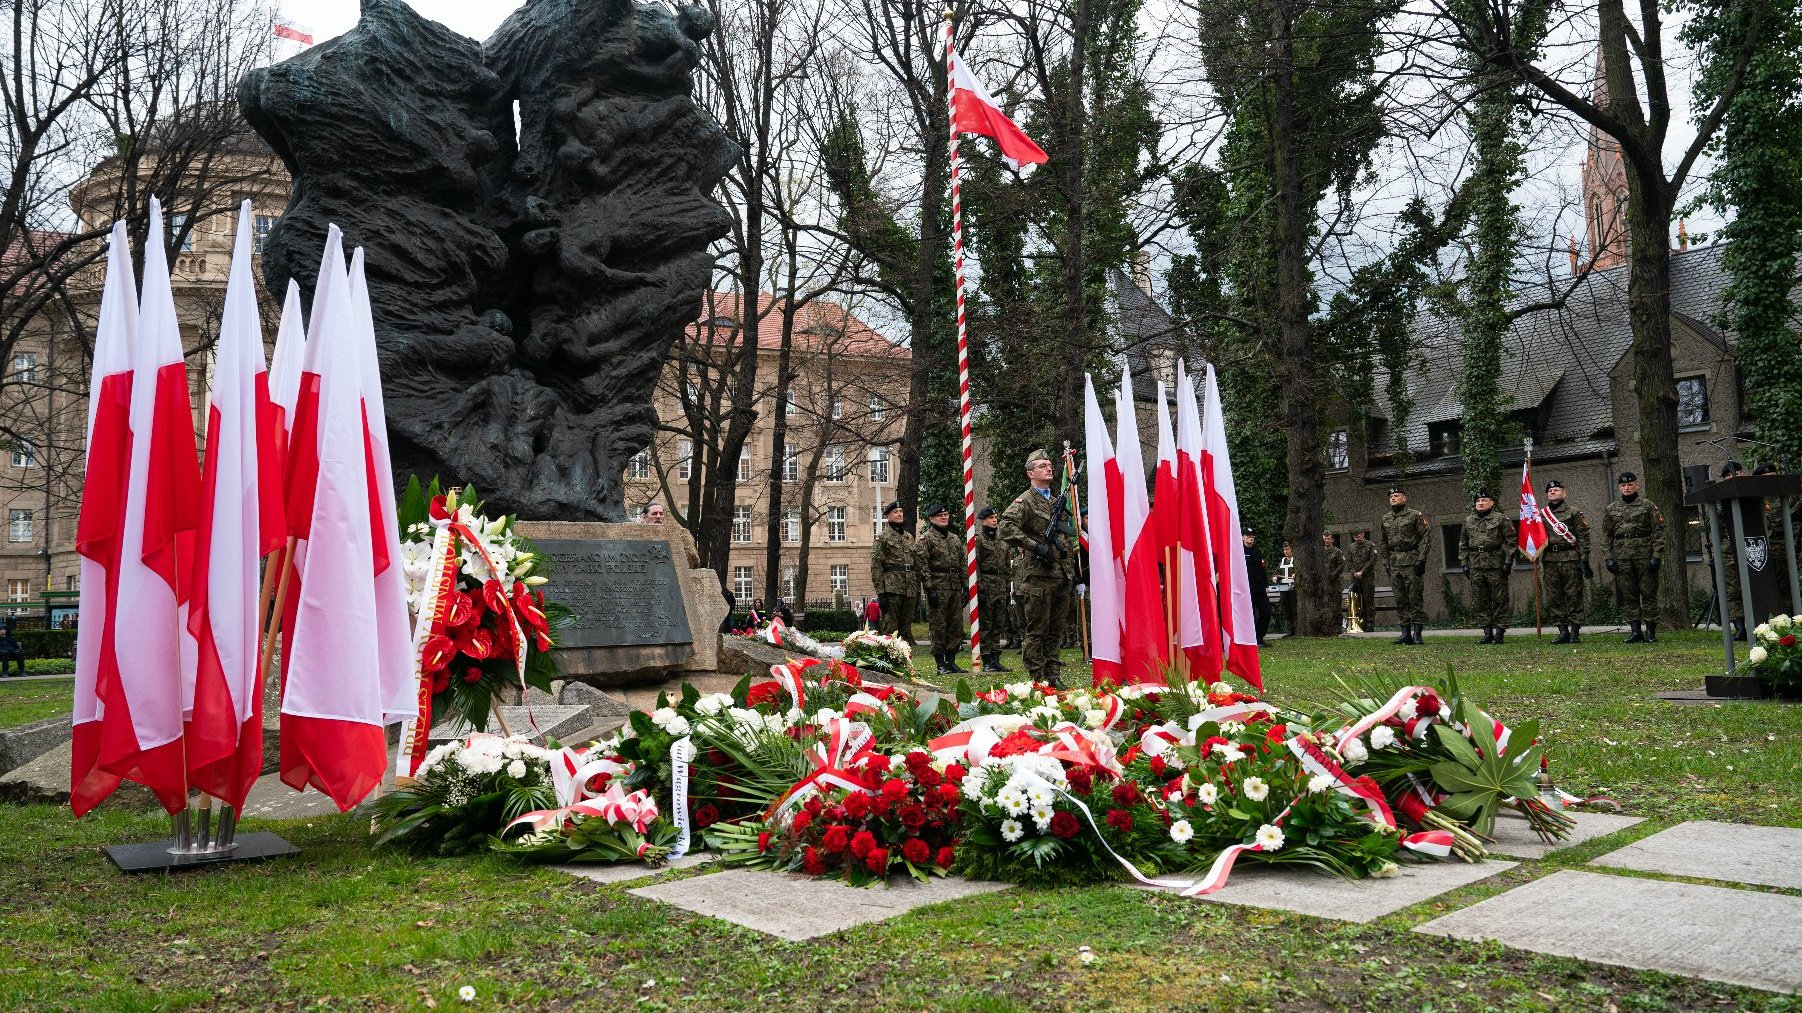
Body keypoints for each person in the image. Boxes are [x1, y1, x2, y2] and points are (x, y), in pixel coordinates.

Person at [1000, 449, 1076, 687]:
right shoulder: (1025, 502)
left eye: (1050, 465)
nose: (1049, 468)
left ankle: (1054, 676)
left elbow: (1065, 536)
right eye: (1042, 465)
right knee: (1037, 631)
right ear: (1030, 473)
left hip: (1060, 576)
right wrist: (1035, 546)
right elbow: (1006, 528)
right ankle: (1038, 678)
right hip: (1038, 577)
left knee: (1055, 631)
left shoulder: (1055, 501)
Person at [1603, 471, 1667, 643]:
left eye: (1630, 484)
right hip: (1622, 558)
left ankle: (1651, 632)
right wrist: (1608, 557)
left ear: (1636, 485)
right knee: (1629, 595)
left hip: (1645, 557)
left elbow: (1658, 532)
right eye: (1623, 485)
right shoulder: (1611, 509)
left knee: (1648, 594)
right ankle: (1635, 631)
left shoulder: (1647, 506)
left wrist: (1657, 555)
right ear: (1619, 487)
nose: (1626, 487)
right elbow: (1606, 535)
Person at [1460, 489, 1517, 643]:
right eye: (1478, 501)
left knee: (1500, 599)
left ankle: (1499, 633)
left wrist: (1508, 562)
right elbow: (1463, 543)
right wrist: (1464, 563)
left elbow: (1511, 542)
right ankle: (1487, 633)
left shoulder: (1501, 519)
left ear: (1492, 503)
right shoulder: (1468, 521)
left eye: (1484, 500)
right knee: (1480, 600)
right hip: (1476, 565)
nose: (1481, 503)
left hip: (1495, 565)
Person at [915, 502, 966, 675]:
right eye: (940, 516)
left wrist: (965, 585)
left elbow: (962, 563)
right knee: (938, 625)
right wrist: (930, 588)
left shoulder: (954, 539)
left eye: (946, 515)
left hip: (954, 586)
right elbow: (922, 564)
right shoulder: (926, 538)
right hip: (938, 586)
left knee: (955, 625)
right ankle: (940, 663)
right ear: (931, 519)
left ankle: (951, 660)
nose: (944, 518)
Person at [1539, 479, 1592, 643]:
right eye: (1550, 490)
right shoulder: (1541, 515)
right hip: (1550, 560)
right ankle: (1562, 631)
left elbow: (1583, 536)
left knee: (1574, 595)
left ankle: (1575, 631)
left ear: (1564, 493)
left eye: (1556, 489)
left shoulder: (1574, 512)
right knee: (1554, 596)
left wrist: (1584, 559)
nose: (1553, 492)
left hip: (1570, 558)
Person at [1379, 485, 1431, 645]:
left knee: (1414, 599)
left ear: (1404, 498)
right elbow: (1383, 541)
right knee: (1400, 600)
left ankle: (1417, 634)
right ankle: (1405, 633)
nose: (1393, 498)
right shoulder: (1386, 519)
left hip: (1411, 562)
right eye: (1391, 496)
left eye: (1396, 495)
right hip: (1395, 564)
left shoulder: (1415, 515)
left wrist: (1421, 560)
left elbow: (1426, 537)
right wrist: (1386, 562)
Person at [1705, 461, 1746, 638]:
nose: (1732, 478)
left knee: (1755, 585)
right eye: (1728, 477)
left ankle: (1760, 624)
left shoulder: (1753, 493)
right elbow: (1712, 526)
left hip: (1751, 544)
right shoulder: (1722, 502)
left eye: (1736, 475)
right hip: (1729, 547)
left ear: (1742, 475)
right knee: (1733, 588)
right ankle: (1740, 627)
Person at [870, 500, 918, 645]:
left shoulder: (909, 537)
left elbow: (915, 563)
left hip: (909, 588)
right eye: (895, 512)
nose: (899, 514)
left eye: (901, 512)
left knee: (906, 629)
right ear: (888, 516)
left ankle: (905, 659)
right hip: (892, 589)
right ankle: (890, 658)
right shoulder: (882, 537)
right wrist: (881, 592)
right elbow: (876, 565)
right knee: (890, 629)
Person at [975, 505, 1013, 671]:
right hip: (986, 585)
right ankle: (986, 660)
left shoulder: (1002, 541)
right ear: (983, 520)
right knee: (986, 624)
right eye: (991, 518)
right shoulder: (979, 541)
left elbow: (1006, 566)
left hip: (1000, 585)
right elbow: (975, 565)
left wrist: (1007, 587)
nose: (994, 520)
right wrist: (980, 589)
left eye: (995, 517)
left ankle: (996, 658)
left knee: (998, 624)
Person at [1345, 529, 1378, 631]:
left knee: (1368, 600)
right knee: (1354, 599)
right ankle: (1356, 623)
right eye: (1355, 537)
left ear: (1363, 535)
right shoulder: (1351, 547)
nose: (1357, 539)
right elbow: (1348, 561)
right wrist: (1354, 572)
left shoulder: (1370, 545)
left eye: (1358, 536)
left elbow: (1372, 560)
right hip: (1355, 577)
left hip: (1367, 577)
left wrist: (1362, 571)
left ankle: (1369, 623)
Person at [1242, 528, 1270, 646]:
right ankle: (1249, 640)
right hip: (1246, 589)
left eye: (1253, 535)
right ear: (1243, 537)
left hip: (1259, 588)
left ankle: (1259, 638)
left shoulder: (1257, 552)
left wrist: (1266, 585)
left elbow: (1262, 569)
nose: (1251, 537)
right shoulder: (1239, 552)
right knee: (1248, 615)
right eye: (1248, 535)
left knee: (1266, 612)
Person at [1322, 532, 1347, 632]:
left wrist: (1333, 574)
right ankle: (1327, 625)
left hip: (1335, 582)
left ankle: (1338, 626)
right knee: (1325, 605)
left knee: (1336, 605)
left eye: (1328, 539)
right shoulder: (1321, 552)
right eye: (1325, 539)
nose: (1326, 540)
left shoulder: (1337, 552)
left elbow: (1341, 565)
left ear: (1332, 540)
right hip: (1324, 583)